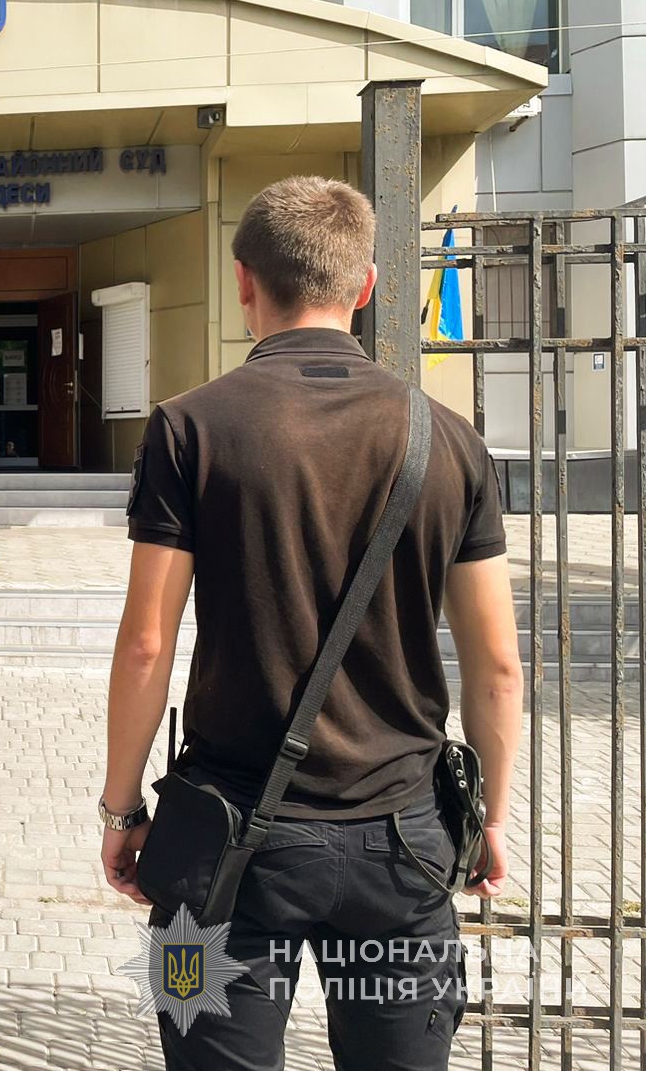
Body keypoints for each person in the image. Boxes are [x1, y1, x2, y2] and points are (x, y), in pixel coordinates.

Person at [98, 176, 524, 1070]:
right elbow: (496, 667)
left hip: (218, 851)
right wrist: (487, 819)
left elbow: (146, 643)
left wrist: (123, 806)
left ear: (244, 281)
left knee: (199, 1047)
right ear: (366, 285)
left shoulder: (185, 429)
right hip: (404, 848)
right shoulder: (452, 440)